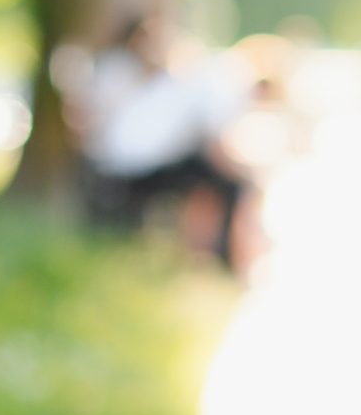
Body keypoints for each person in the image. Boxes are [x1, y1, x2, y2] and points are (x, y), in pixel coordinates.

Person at [71, 15, 255, 271]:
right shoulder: (119, 73)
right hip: (133, 166)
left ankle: (217, 252)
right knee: (227, 181)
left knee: (217, 177)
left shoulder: (160, 80)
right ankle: (221, 255)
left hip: (147, 161)